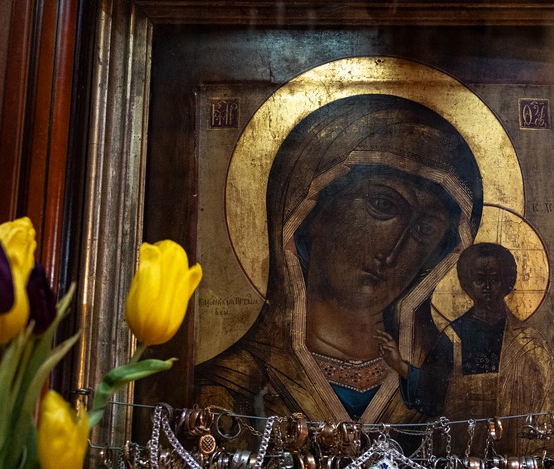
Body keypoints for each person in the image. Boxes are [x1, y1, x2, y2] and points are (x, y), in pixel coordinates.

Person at [196, 95, 483, 423]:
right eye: (382, 205)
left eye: (424, 230)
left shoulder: (444, 386)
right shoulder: (228, 392)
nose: (393, 251)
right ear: (309, 213)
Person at [377, 242, 554, 425]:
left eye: (495, 279)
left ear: (508, 283)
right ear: (466, 284)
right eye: (479, 279)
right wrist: (399, 365)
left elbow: (545, 398)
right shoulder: (453, 337)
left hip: (514, 434)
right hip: (464, 438)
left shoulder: (528, 341)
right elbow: (432, 394)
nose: (487, 286)